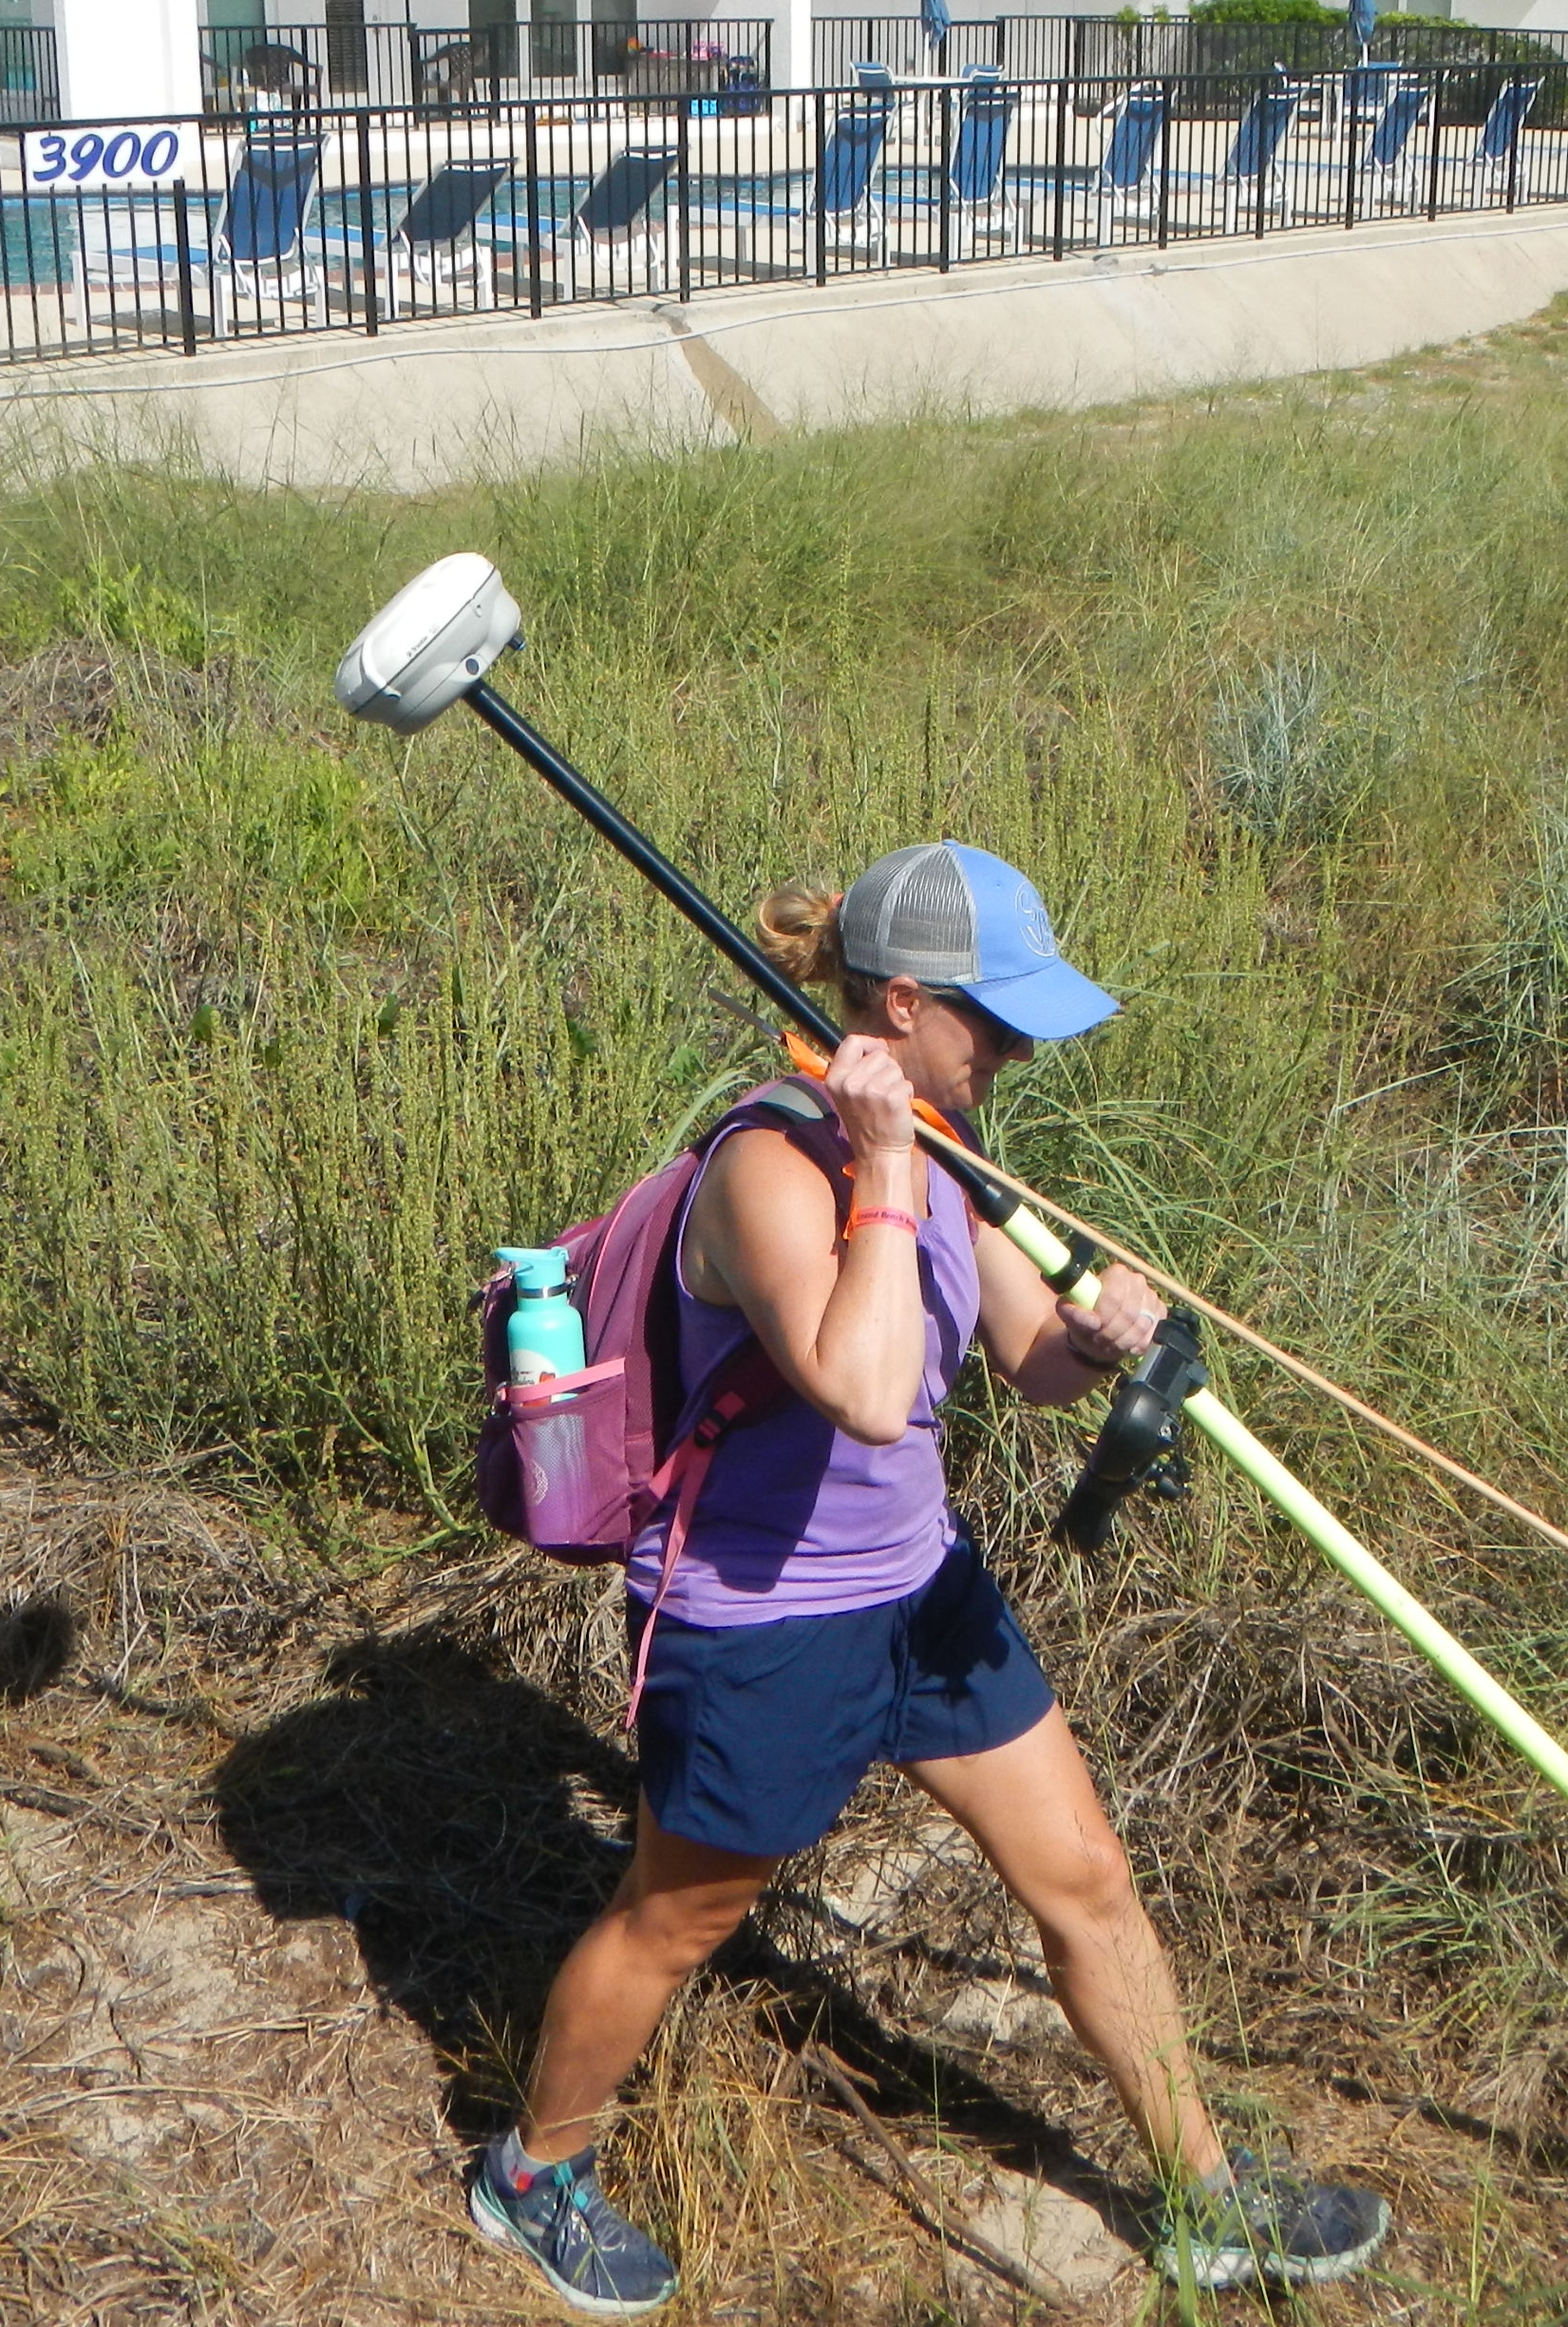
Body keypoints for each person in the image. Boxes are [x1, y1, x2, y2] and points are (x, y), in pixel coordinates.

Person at [467, 842, 1391, 2315]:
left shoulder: (949, 1153)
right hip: (761, 1630)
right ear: (900, 1005)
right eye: (999, 1021)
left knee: (1085, 1879)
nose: (1021, 1050)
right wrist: (888, 1169)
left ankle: (1209, 2201)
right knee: (674, 1918)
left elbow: (1019, 1362)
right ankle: (531, 2174)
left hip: (921, 1594)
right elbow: (868, 1387)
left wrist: (1095, 1340)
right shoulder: (768, 1171)